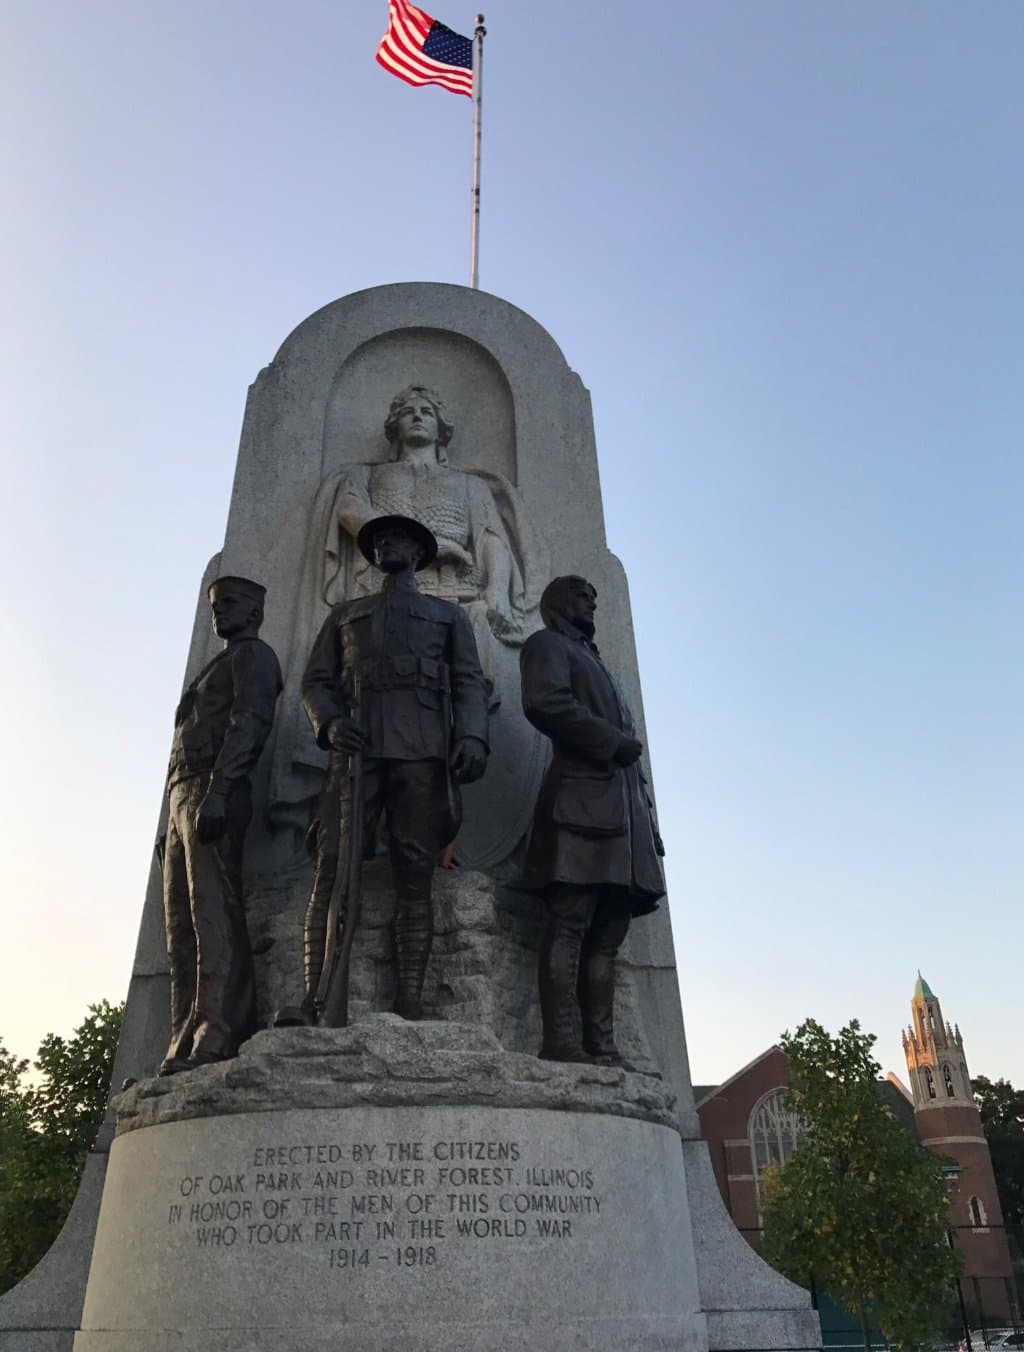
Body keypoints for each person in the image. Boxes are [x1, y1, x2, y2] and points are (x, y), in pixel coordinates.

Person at [291, 514, 489, 1025]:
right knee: (332, 869)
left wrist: (470, 737)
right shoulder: (344, 615)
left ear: (419, 552)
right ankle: (316, 996)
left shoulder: (448, 617)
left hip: (422, 753)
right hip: (355, 755)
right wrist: (331, 723)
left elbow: (469, 682)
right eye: (378, 540)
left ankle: (409, 1000)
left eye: (397, 537)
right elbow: (315, 682)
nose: (385, 544)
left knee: (414, 878)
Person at [519, 575, 665, 1066]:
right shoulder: (547, 644)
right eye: (584, 595)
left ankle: (603, 1045)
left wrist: (650, 825)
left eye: (594, 597)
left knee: (608, 936)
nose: (592, 603)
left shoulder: (598, 661)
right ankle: (560, 1041)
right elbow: (545, 703)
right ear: (559, 602)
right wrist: (610, 741)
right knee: (569, 924)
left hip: (625, 815)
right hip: (580, 806)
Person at [160, 576, 282, 1075]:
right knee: (180, 927)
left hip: (214, 790)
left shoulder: (255, 657)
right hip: (181, 799)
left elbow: (248, 725)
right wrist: (166, 821)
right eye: (215, 605)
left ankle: (219, 1028)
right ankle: (184, 1034)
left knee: (212, 912)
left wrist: (219, 791)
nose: (220, 613)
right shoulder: (218, 662)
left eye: (229, 604)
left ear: (253, 610)